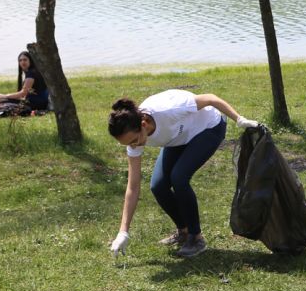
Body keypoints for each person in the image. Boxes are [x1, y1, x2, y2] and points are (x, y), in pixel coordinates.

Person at [107, 90, 258, 259]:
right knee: (158, 185)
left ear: (144, 123)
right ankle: (184, 231)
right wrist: (123, 232)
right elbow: (133, 187)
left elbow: (210, 98)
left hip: (209, 127)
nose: (133, 146)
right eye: (128, 144)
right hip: (178, 138)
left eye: (134, 141)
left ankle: (196, 238)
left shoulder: (168, 110)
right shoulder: (134, 135)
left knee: (179, 178)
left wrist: (240, 119)